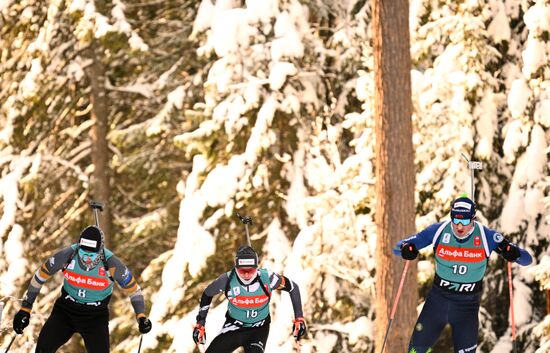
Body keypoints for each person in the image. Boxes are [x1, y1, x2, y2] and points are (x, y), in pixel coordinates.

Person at [393, 194, 533, 353]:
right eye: (456, 220)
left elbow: (527, 259)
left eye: (465, 221)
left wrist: (512, 252)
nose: (460, 226)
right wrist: (407, 248)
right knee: (416, 350)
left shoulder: (486, 236)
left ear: (473, 219)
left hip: (466, 306)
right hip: (438, 301)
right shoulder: (439, 230)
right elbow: (400, 247)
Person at [12, 225, 152, 353]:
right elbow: (39, 276)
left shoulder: (112, 264)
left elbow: (134, 290)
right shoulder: (68, 255)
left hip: (95, 316)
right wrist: (26, 308)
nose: (87, 259)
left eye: (91, 255)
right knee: (43, 349)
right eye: (83, 253)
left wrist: (140, 316)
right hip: (65, 311)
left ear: (100, 251)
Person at [192, 245, 307, 353]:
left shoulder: (268, 278)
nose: (247, 275)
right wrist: (200, 323)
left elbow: (292, 287)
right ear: (236, 268)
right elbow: (207, 293)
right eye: (242, 271)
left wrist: (299, 318)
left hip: (259, 330)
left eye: (250, 271)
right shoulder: (227, 280)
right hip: (234, 328)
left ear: (257, 268)